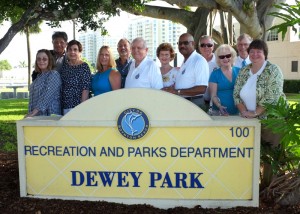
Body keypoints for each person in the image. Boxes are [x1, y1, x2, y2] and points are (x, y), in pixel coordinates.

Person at [234, 39, 285, 120]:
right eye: (252, 51)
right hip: (248, 120)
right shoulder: (243, 71)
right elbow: (236, 95)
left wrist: (255, 113)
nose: (255, 54)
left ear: (265, 53)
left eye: (259, 51)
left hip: (272, 121)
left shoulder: (273, 70)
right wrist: (244, 112)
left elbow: (272, 96)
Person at [162, 33, 209, 109]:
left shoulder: (199, 61)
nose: (182, 46)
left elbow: (202, 88)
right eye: (180, 43)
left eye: (186, 43)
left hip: (194, 104)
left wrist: (177, 92)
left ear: (193, 43)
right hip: (185, 103)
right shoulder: (186, 61)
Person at [25, 49, 61, 118]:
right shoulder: (38, 77)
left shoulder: (53, 75)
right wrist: (31, 113)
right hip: (37, 116)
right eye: (39, 59)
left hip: (49, 116)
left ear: (49, 60)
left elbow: (46, 96)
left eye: (44, 59)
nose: (41, 61)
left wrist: (33, 113)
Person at [60, 40, 91, 115]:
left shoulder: (84, 67)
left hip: (79, 107)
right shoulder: (64, 67)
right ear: (67, 52)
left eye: (75, 50)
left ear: (80, 52)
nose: (72, 52)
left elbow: (85, 89)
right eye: (70, 49)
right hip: (65, 106)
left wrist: (82, 108)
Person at [209, 44, 240, 115]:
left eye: (228, 56)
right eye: (222, 57)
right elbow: (213, 95)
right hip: (220, 113)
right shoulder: (214, 74)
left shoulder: (240, 72)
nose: (225, 59)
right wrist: (219, 106)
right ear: (218, 59)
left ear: (232, 56)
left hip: (239, 112)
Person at [198, 35, 218, 106]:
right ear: (199, 47)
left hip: (216, 102)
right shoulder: (194, 61)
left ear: (213, 46)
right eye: (203, 45)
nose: (206, 47)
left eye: (209, 45)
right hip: (199, 102)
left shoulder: (219, 61)